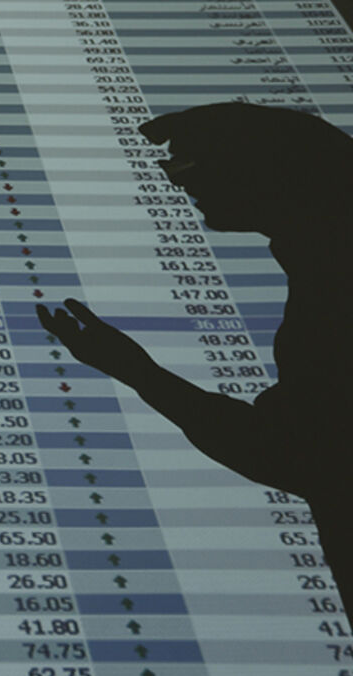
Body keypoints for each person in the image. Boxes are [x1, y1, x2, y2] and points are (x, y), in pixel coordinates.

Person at [37, 102, 352, 623]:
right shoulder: (322, 265)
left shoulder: (334, 287)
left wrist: (140, 374)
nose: (176, 184)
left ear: (264, 171)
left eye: (186, 166)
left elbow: (301, 454)